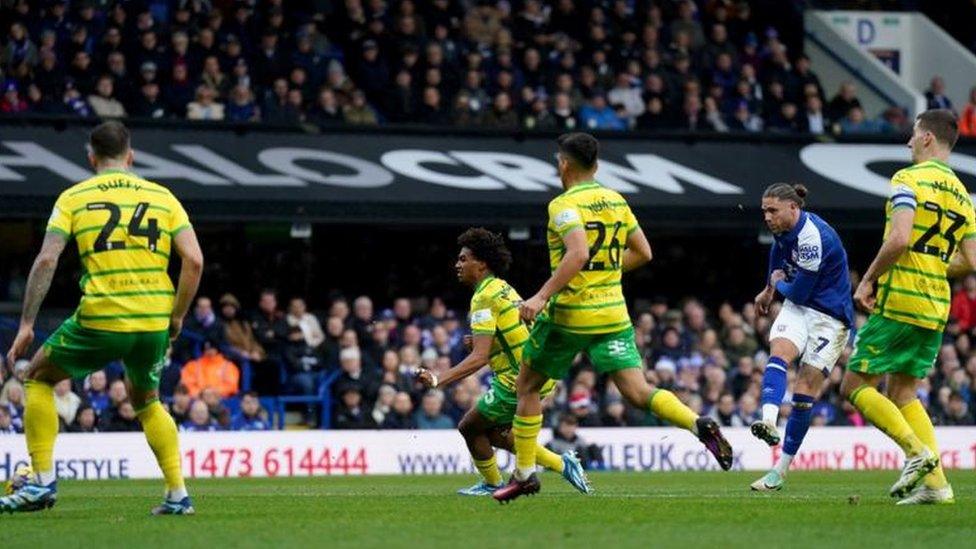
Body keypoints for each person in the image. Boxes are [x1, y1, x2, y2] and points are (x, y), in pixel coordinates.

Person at [493, 133, 733, 502]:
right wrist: (606, 277)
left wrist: (541, 296)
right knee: (638, 392)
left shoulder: (563, 204)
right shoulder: (615, 199)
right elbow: (644, 252)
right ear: (597, 166)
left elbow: (578, 253)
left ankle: (525, 473)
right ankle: (696, 423)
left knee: (527, 388)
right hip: (612, 314)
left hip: (569, 316)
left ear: (564, 164)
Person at [1, 121, 203, 515]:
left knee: (37, 378)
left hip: (102, 318)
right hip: (153, 322)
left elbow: (47, 259)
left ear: (91, 157)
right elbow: (193, 260)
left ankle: (41, 483)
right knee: (146, 401)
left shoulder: (74, 197)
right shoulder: (163, 197)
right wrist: (176, 317)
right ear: (131, 156)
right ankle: (177, 494)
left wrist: (27, 324)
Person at [841, 109, 976, 505]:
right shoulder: (963, 197)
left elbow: (899, 238)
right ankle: (938, 487)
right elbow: (971, 260)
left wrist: (867, 278)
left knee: (854, 385)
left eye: (913, 135)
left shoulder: (908, 179)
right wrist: (933, 265)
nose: (908, 143)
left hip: (901, 298)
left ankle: (917, 452)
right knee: (903, 392)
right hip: (936, 306)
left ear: (929, 139)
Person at [417, 228, 590, 496]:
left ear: (482, 263)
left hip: (516, 379)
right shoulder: (502, 287)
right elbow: (517, 328)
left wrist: (439, 379)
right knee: (496, 434)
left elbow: (479, 358)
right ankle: (561, 463)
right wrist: (484, 340)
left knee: (469, 427)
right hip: (535, 371)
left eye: (464, 259)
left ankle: (494, 483)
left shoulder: (483, 296)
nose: (457, 265)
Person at [750, 183, 854, 491]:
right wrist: (770, 288)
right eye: (764, 211)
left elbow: (797, 290)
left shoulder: (813, 239)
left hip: (829, 317)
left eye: (773, 211)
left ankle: (780, 471)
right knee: (778, 353)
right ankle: (769, 421)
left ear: (793, 208)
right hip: (799, 308)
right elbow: (777, 251)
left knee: (804, 390)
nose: (767, 217)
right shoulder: (784, 228)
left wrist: (779, 287)